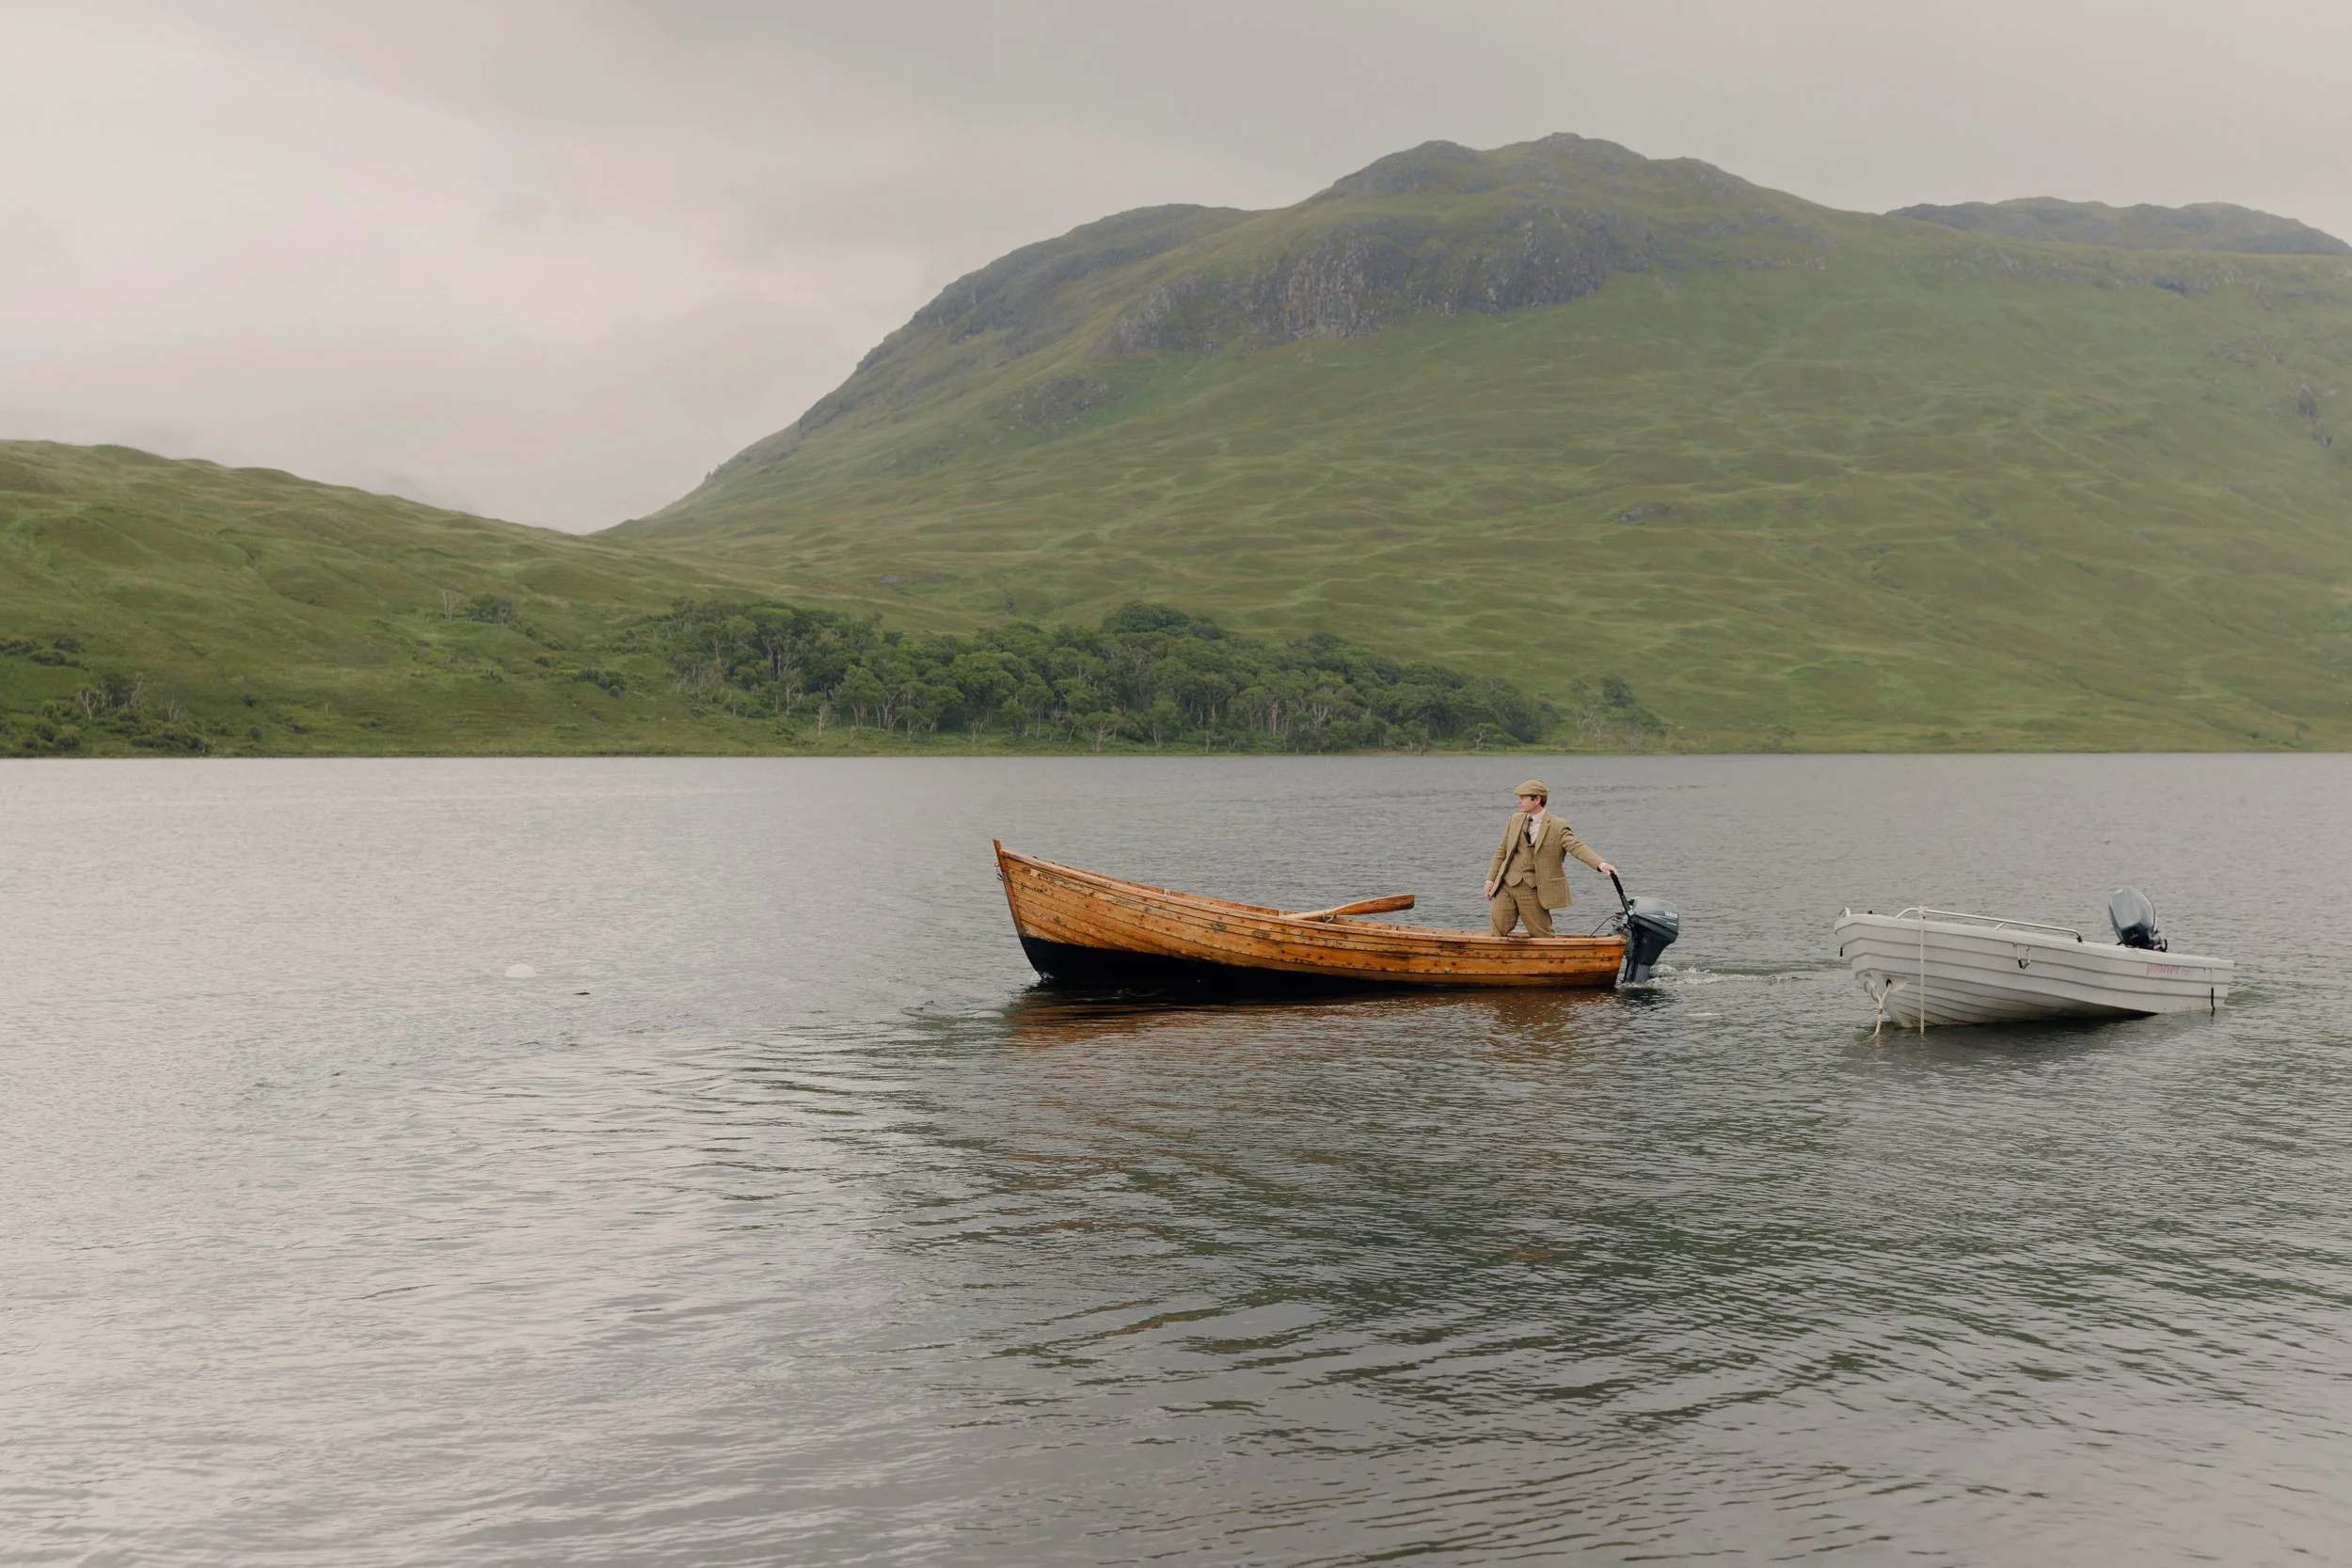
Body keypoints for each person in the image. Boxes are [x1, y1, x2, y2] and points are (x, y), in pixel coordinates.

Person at [1483, 779, 1616, 938]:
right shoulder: (1515, 819)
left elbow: (1577, 847)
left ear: (1537, 799)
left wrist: (1602, 864)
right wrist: (1490, 880)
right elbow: (1501, 852)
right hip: (1506, 885)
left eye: (1523, 797)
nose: (1519, 801)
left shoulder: (1558, 825)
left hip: (1533, 888)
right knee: (1497, 932)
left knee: (1542, 935)